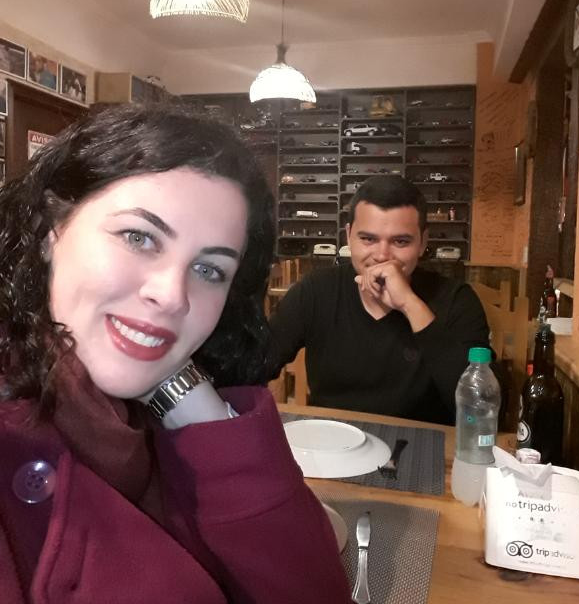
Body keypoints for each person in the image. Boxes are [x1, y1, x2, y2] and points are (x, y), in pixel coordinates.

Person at [0, 103, 351, 603]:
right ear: (49, 229)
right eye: (139, 237)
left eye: (209, 270)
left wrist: (190, 398)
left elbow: (310, 586)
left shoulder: (144, 414)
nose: (172, 296)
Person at [268, 175, 491, 425]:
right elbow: (259, 362)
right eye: (368, 239)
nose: (382, 256)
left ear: (422, 242)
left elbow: (481, 408)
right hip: (333, 440)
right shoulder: (315, 291)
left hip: (423, 441)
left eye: (401, 241)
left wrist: (410, 304)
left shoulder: (457, 300)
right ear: (349, 236)